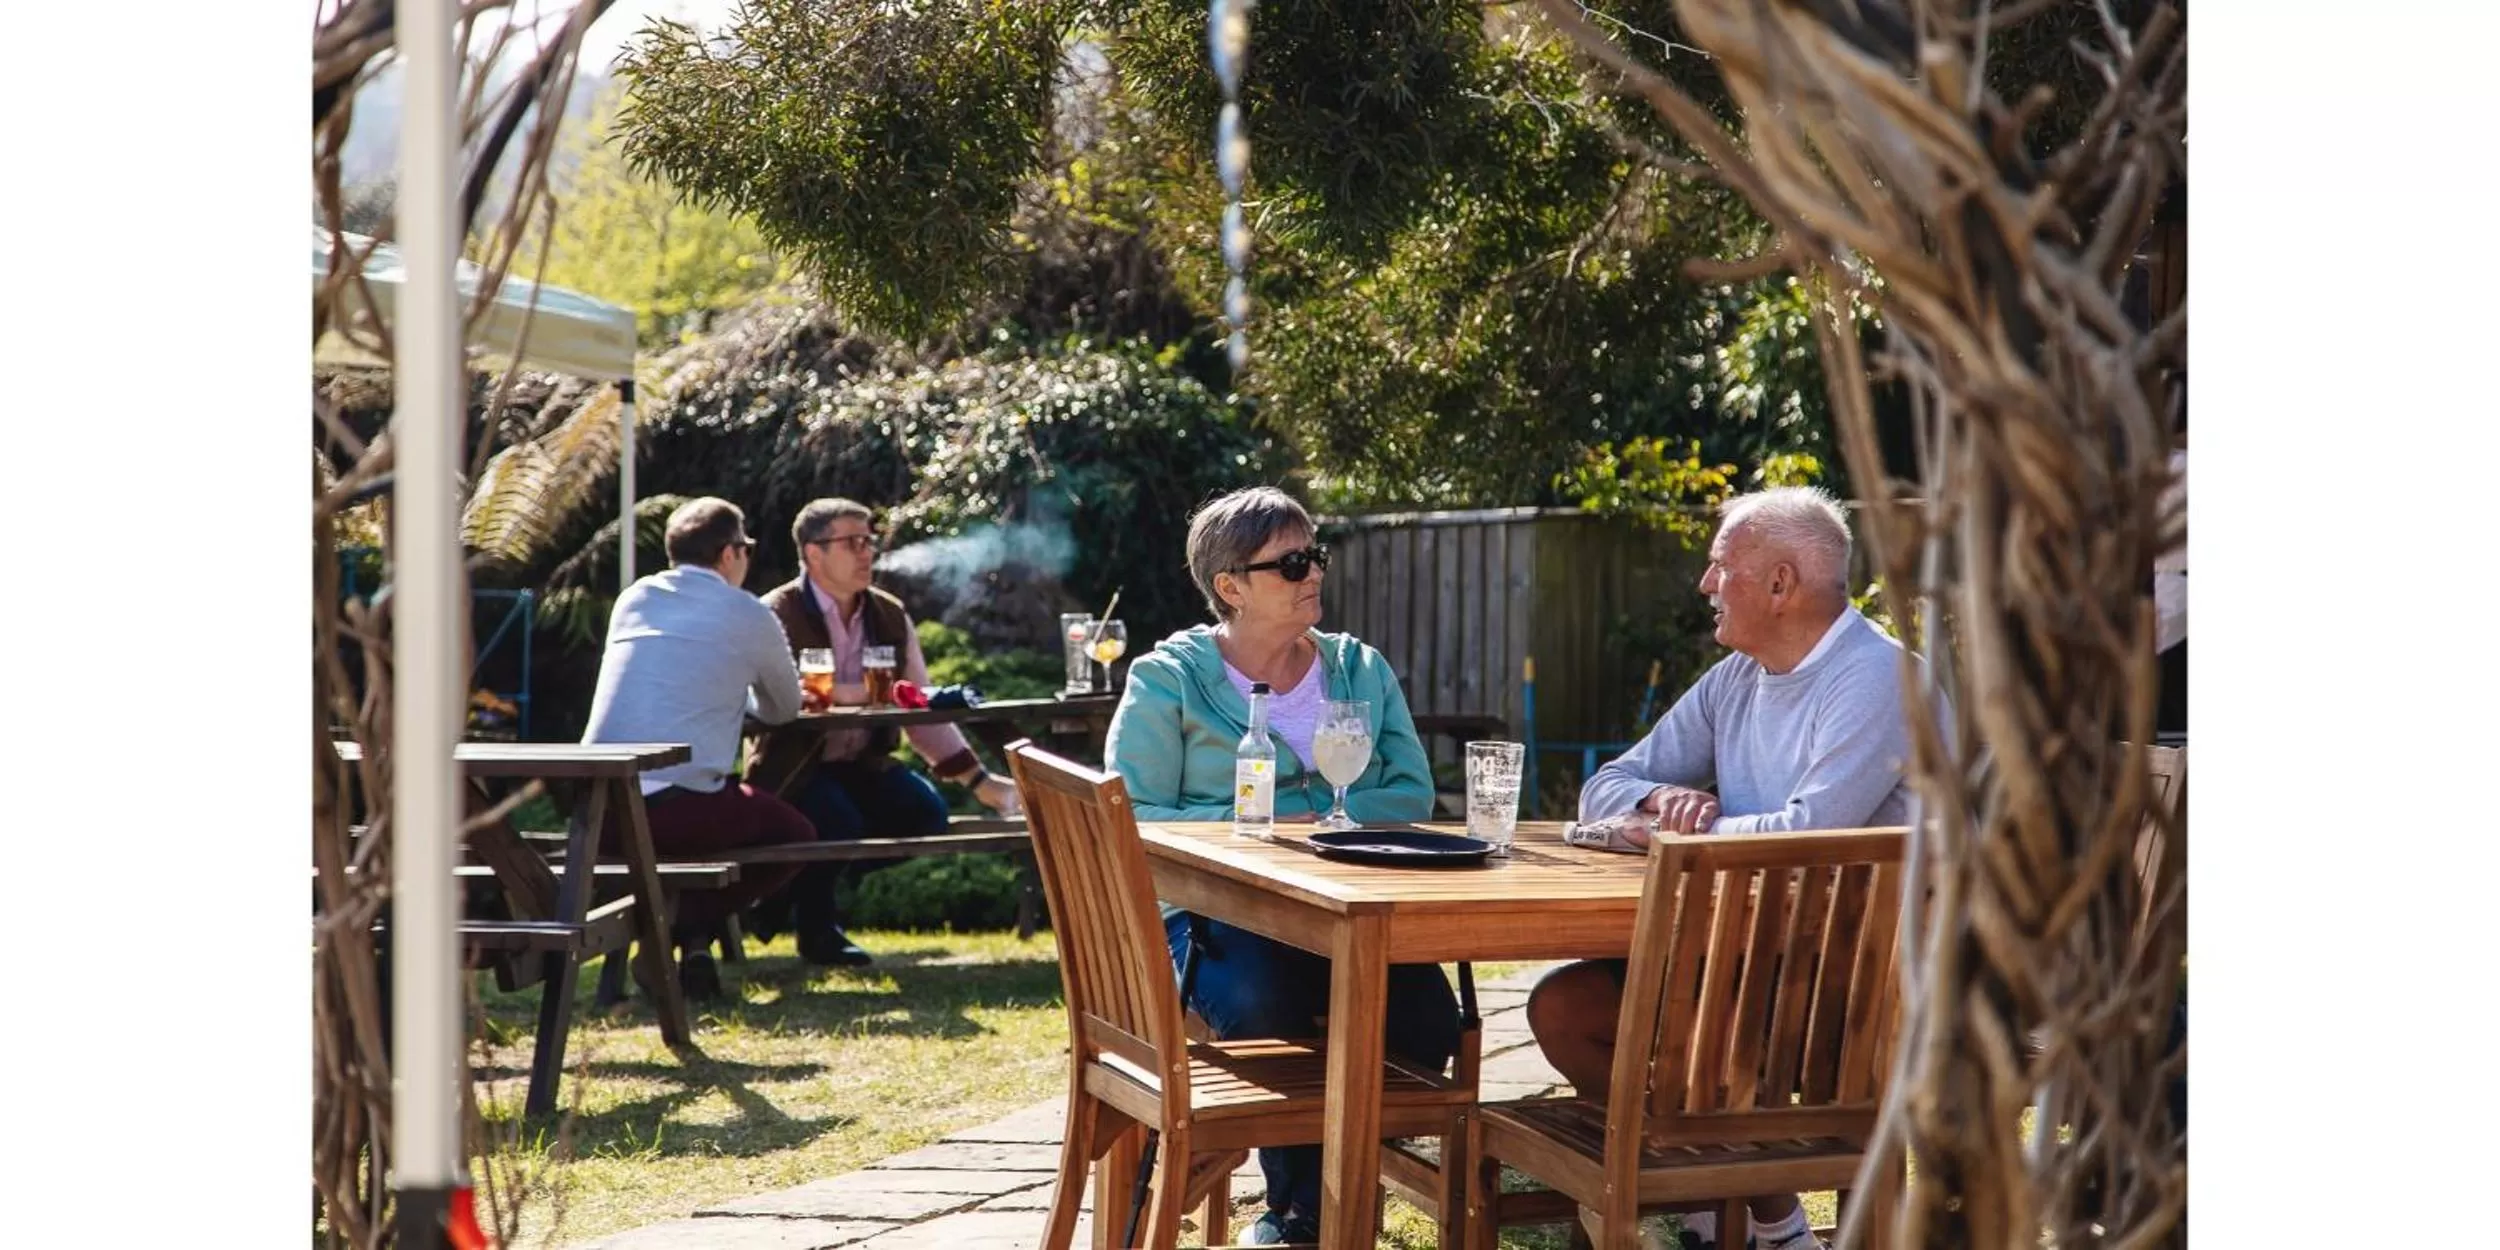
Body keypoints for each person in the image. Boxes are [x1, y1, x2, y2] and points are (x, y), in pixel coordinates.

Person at [1535, 486, 1938, 1250]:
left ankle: (1746, 1217)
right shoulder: (1737, 678)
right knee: (1568, 1008)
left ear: (1782, 584)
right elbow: (1608, 783)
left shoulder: (1878, 677)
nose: (1705, 584)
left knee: (1697, 1015)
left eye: (1721, 565)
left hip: (1869, 976)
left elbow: (1809, 832)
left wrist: (1689, 830)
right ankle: (1753, 1216)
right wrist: (1658, 796)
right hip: (1756, 955)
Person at [1104, 486, 1454, 1246]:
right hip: (1209, 920)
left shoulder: (1358, 668)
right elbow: (1136, 816)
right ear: (1230, 587)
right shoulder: (1168, 678)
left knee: (1427, 1017)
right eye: (1291, 562)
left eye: (1315, 556)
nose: (1312, 573)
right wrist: (1272, 822)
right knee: (1267, 1004)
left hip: (1348, 915)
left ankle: (1349, 1169)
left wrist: (1325, 822)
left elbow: (1412, 791)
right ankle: (1298, 1213)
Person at [744, 497, 1022, 968]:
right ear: (813, 553)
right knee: (838, 822)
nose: (867, 552)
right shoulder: (773, 613)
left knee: (926, 814)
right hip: (794, 770)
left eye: (869, 541)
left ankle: (786, 891)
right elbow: (771, 704)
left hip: (864, 764)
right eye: (852, 542)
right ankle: (818, 929)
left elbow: (921, 708)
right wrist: (854, 696)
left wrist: (980, 782)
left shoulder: (889, 614)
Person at [580, 496, 816, 999]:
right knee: (792, 834)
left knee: (718, 802)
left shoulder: (635, 598)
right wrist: (740, 700)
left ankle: (689, 946)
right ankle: (679, 934)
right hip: (673, 813)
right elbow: (784, 710)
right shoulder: (746, 611)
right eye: (746, 547)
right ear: (730, 553)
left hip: (598, 810)